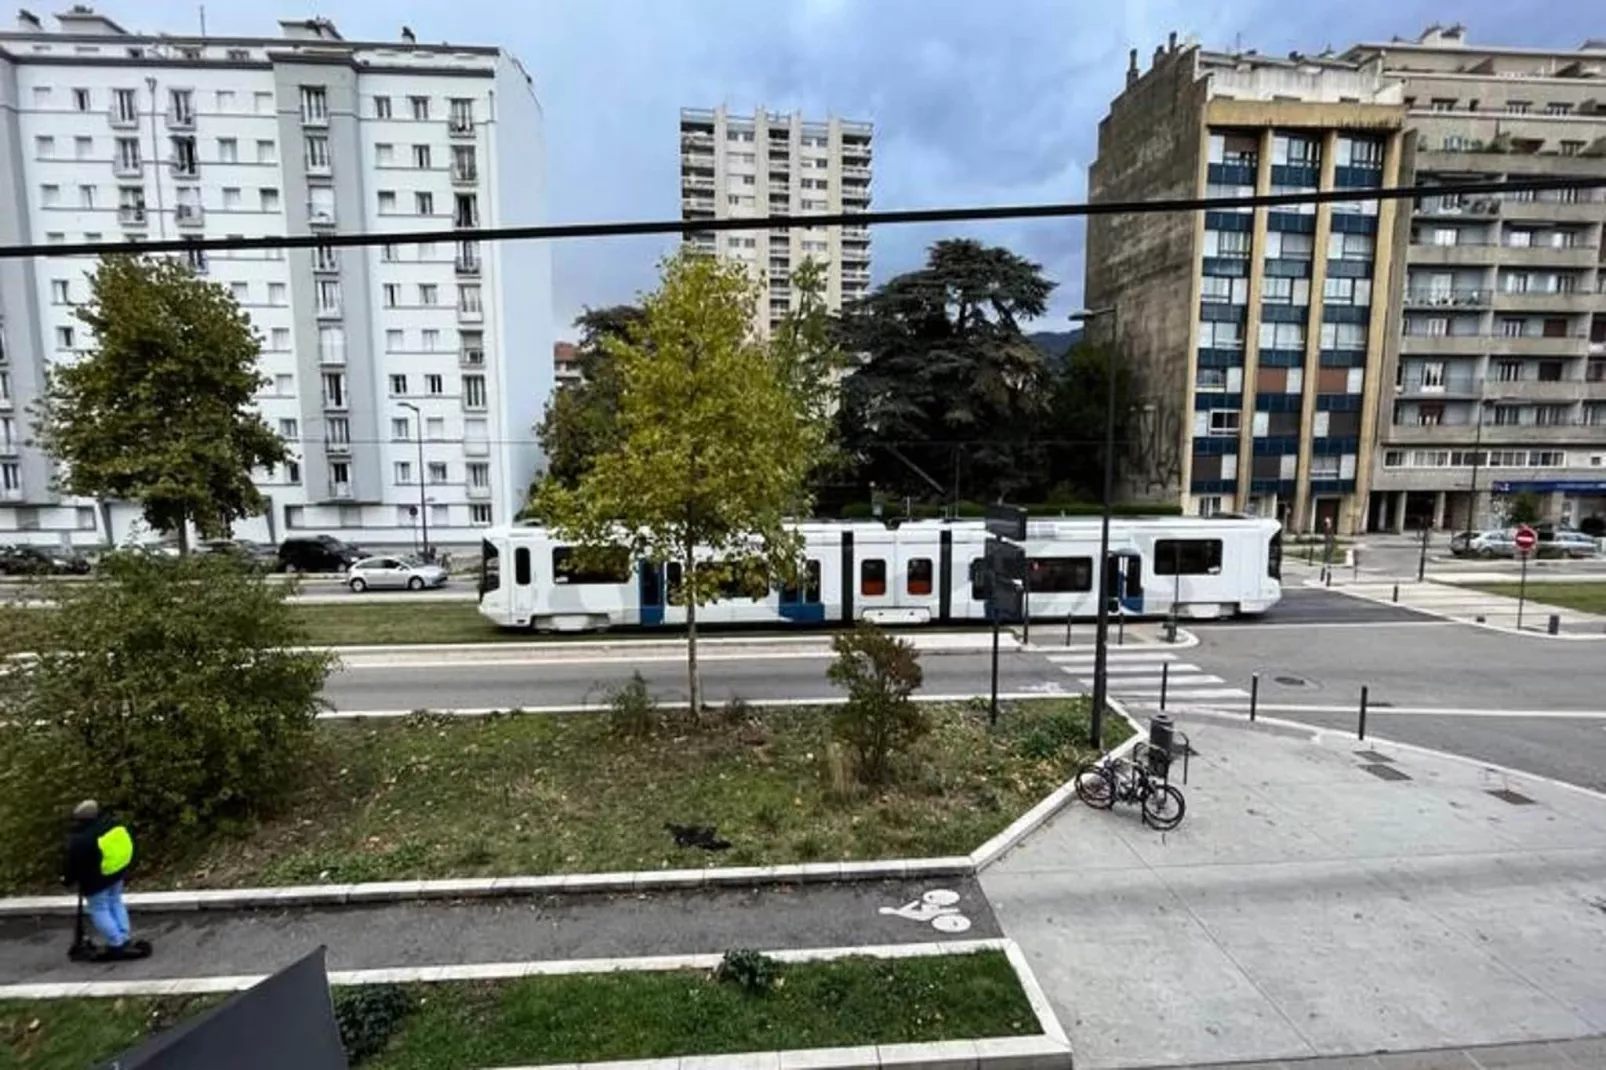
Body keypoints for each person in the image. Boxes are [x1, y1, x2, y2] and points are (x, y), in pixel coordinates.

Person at [64, 799, 148, 960]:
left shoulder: (81, 838)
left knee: (99, 908)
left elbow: (73, 864)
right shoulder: (114, 826)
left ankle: (116, 943)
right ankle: (123, 936)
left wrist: (67, 880)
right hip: (116, 872)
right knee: (115, 902)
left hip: (96, 879)